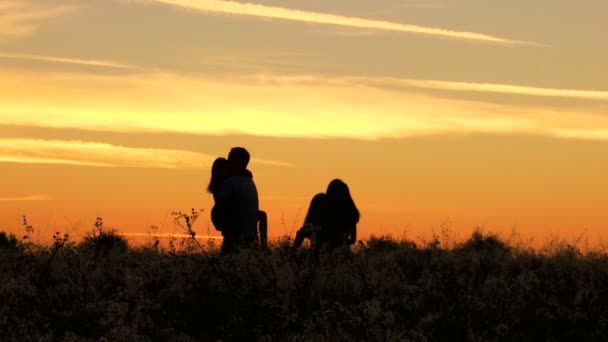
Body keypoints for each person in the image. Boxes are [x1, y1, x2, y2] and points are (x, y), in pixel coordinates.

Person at [216, 147, 263, 252]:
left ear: (238, 162)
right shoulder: (250, 183)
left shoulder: (231, 182)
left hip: (235, 237)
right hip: (251, 238)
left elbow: (221, 205)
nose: (227, 162)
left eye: (230, 159)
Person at [293, 179, 359, 250]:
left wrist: (293, 250)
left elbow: (305, 230)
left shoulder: (321, 203)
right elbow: (352, 240)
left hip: (319, 253)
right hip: (342, 255)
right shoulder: (350, 211)